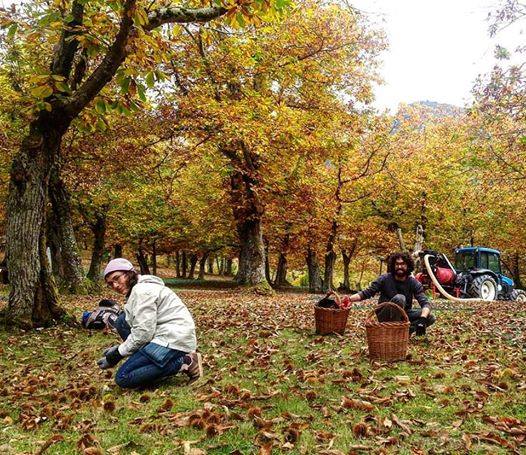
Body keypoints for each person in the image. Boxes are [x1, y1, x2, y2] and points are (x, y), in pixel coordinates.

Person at [97, 258, 203, 388]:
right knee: (121, 321)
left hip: (173, 339)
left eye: (117, 278)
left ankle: (185, 362)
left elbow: (143, 333)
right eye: (110, 284)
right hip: (166, 334)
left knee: (123, 378)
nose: (115, 285)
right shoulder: (137, 290)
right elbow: (138, 326)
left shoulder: (142, 291)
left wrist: (117, 354)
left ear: (129, 273)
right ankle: (150, 367)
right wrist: (122, 347)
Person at [348, 252, 435, 335]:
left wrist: (422, 320)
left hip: (403, 314)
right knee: (400, 298)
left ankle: (403, 333)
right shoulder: (384, 278)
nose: (399, 266)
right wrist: (349, 299)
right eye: (397, 264)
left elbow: (425, 303)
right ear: (393, 266)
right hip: (385, 314)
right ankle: (393, 331)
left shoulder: (413, 283)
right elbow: (367, 293)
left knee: (429, 317)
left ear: (408, 265)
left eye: (403, 264)